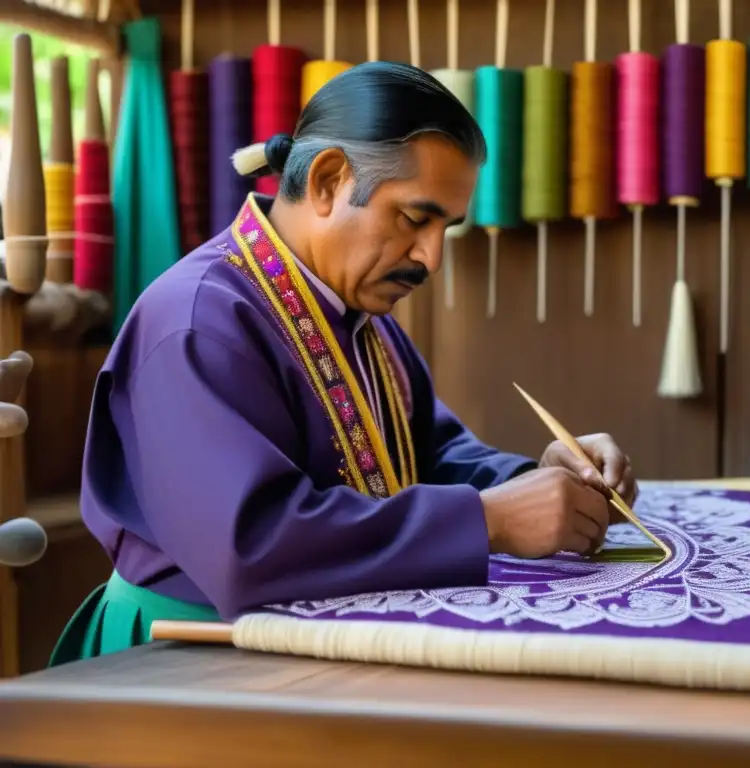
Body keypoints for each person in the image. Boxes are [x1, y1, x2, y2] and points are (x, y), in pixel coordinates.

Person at [50, 62, 637, 666]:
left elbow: (427, 455)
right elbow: (248, 547)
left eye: (445, 229)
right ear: (329, 180)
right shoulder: (196, 321)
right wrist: (487, 520)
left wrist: (532, 481)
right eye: (415, 219)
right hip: (185, 660)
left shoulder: (357, 314)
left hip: (303, 650)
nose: (431, 258)